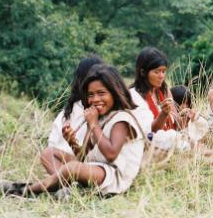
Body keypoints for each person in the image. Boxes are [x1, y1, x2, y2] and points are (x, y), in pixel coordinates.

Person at [17, 64, 145, 196]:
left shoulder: (122, 119)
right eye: (90, 95)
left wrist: (93, 124)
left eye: (101, 93)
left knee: (71, 168)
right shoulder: (98, 119)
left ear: (115, 92)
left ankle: (26, 190)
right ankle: (65, 189)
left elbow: (111, 154)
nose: (95, 99)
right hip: (96, 169)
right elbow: (83, 158)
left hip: (113, 176)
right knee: (49, 153)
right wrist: (72, 142)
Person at [40, 55, 104, 175]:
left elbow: (89, 157)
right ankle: (63, 186)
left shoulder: (106, 110)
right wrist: (72, 142)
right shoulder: (70, 112)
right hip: (69, 164)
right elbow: (53, 146)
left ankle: (62, 185)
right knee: (47, 154)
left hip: (92, 167)